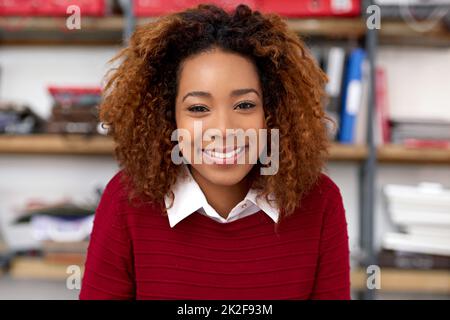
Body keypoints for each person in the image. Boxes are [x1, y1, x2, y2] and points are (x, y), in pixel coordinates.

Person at [79, 3, 350, 300]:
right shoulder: (126, 200)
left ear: (271, 112)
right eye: (198, 108)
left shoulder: (320, 201)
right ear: (169, 118)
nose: (223, 129)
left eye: (245, 105)